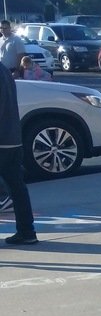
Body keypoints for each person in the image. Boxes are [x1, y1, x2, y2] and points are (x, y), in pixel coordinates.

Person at [0, 63, 37, 245]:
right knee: (17, 187)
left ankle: (26, 231)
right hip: (12, 138)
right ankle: (27, 231)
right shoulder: (4, 70)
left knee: (15, 187)